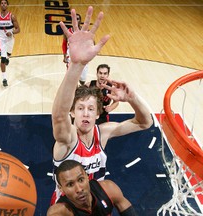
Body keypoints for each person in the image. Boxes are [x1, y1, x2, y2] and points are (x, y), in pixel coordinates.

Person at [51, 6, 153, 203]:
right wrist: (77, 66)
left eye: (90, 109)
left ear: (98, 114)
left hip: (97, 204)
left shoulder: (103, 133)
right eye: (80, 108)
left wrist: (132, 98)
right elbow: (58, 115)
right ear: (72, 113)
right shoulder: (67, 138)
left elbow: (144, 123)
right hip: (68, 209)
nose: (86, 114)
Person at [47, 160, 138, 216]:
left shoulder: (108, 189)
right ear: (61, 189)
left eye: (81, 180)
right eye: (70, 184)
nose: (79, 189)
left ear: (87, 177)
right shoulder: (59, 212)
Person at [0, 0, 20, 87]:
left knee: (9, 53)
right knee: (3, 59)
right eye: (2, 3)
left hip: (10, 39)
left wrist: (12, 33)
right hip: (1, 39)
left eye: (5, 3)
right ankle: (4, 78)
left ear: (7, 5)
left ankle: (8, 57)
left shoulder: (12, 16)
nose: (3, 4)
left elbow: (18, 29)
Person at [62, 13, 88, 85]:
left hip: (83, 56)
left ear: (80, 20)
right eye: (74, 19)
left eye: (78, 19)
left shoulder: (85, 31)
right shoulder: (68, 32)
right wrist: (64, 56)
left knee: (82, 80)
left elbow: (91, 43)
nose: (76, 20)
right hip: (71, 57)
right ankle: (73, 92)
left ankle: (81, 92)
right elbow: (64, 44)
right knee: (71, 78)